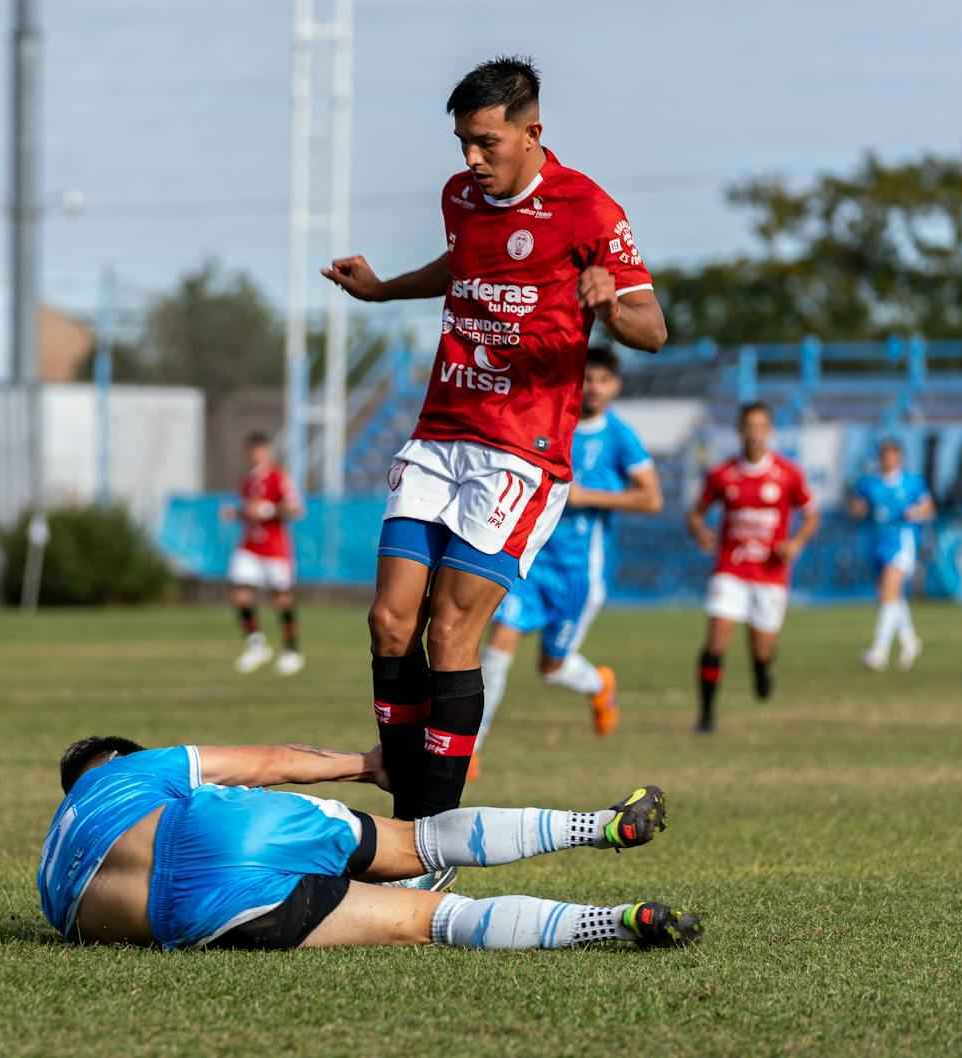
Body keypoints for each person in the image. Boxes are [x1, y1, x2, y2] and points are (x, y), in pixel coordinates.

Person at [321, 57, 667, 866]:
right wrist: (384, 290)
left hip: (519, 452)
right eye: (463, 144)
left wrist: (608, 303)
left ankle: (424, 848)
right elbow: (464, 265)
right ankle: (408, 820)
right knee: (389, 621)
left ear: (531, 131)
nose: (472, 159)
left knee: (451, 629)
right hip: (441, 433)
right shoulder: (460, 198)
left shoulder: (588, 209)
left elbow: (652, 327)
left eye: (486, 143)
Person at [36, 735, 702, 952]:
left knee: (428, 921)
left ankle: (616, 922)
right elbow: (267, 763)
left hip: (200, 916)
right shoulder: (129, 771)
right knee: (420, 844)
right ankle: (600, 825)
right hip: (216, 829)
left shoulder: (49, 887)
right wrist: (366, 765)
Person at [475, 348, 661, 776]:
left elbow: (652, 498)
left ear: (615, 386)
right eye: (588, 378)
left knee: (551, 668)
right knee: (497, 647)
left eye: (603, 380)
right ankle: (471, 748)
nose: (594, 387)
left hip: (578, 575)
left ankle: (599, 684)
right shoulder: (554, 421)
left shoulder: (619, 437)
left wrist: (586, 496)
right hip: (531, 562)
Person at [686, 402, 818, 734]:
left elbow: (811, 515)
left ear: (770, 432)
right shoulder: (723, 474)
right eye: (749, 426)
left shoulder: (788, 474)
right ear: (740, 431)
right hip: (730, 567)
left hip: (770, 573)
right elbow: (696, 514)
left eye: (761, 427)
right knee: (717, 638)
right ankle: (706, 717)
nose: (755, 434)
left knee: (762, 647)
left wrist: (796, 543)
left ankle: (762, 669)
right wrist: (701, 532)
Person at [848, 438, 934, 671]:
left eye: (893, 454)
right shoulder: (869, 483)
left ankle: (879, 652)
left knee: (888, 591)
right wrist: (857, 508)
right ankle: (910, 641)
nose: (889, 459)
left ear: (900, 457)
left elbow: (928, 508)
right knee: (890, 595)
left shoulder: (912, 482)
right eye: (885, 454)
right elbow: (856, 508)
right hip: (878, 541)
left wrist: (917, 511)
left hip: (902, 540)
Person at [227, 432, 305, 675]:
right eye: (252, 451)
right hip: (250, 545)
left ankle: (291, 650)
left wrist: (269, 509)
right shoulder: (247, 481)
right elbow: (249, 510)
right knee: (240, 593)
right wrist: (237, 513)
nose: (256, 455)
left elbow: (296, 509)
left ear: (267, 452)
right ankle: (256, 644)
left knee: (281, 599)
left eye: (260, 450)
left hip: (274, 547)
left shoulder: (279, 477)